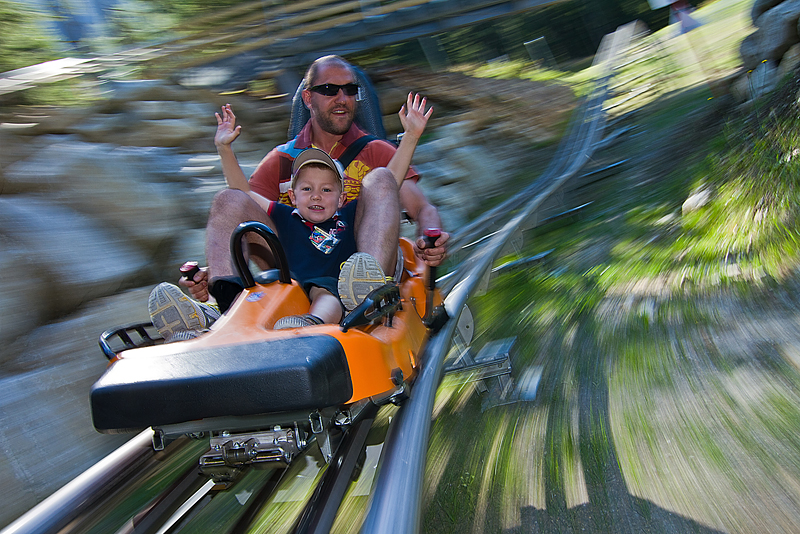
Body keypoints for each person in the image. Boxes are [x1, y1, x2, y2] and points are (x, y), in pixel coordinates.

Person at [149, 88, 434, 336]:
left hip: (341, 289)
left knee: (329, 294)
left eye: (326, 190)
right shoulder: (284, 216)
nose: (317, 196)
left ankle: (341, 306)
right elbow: (241, 196)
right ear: (293, 197)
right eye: (307, 190)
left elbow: (389, 182)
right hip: (290, 288)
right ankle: (218, 315)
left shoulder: (349, 216)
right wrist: (224, 149)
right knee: (226, 199)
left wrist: (410, 137)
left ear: (341, 197)